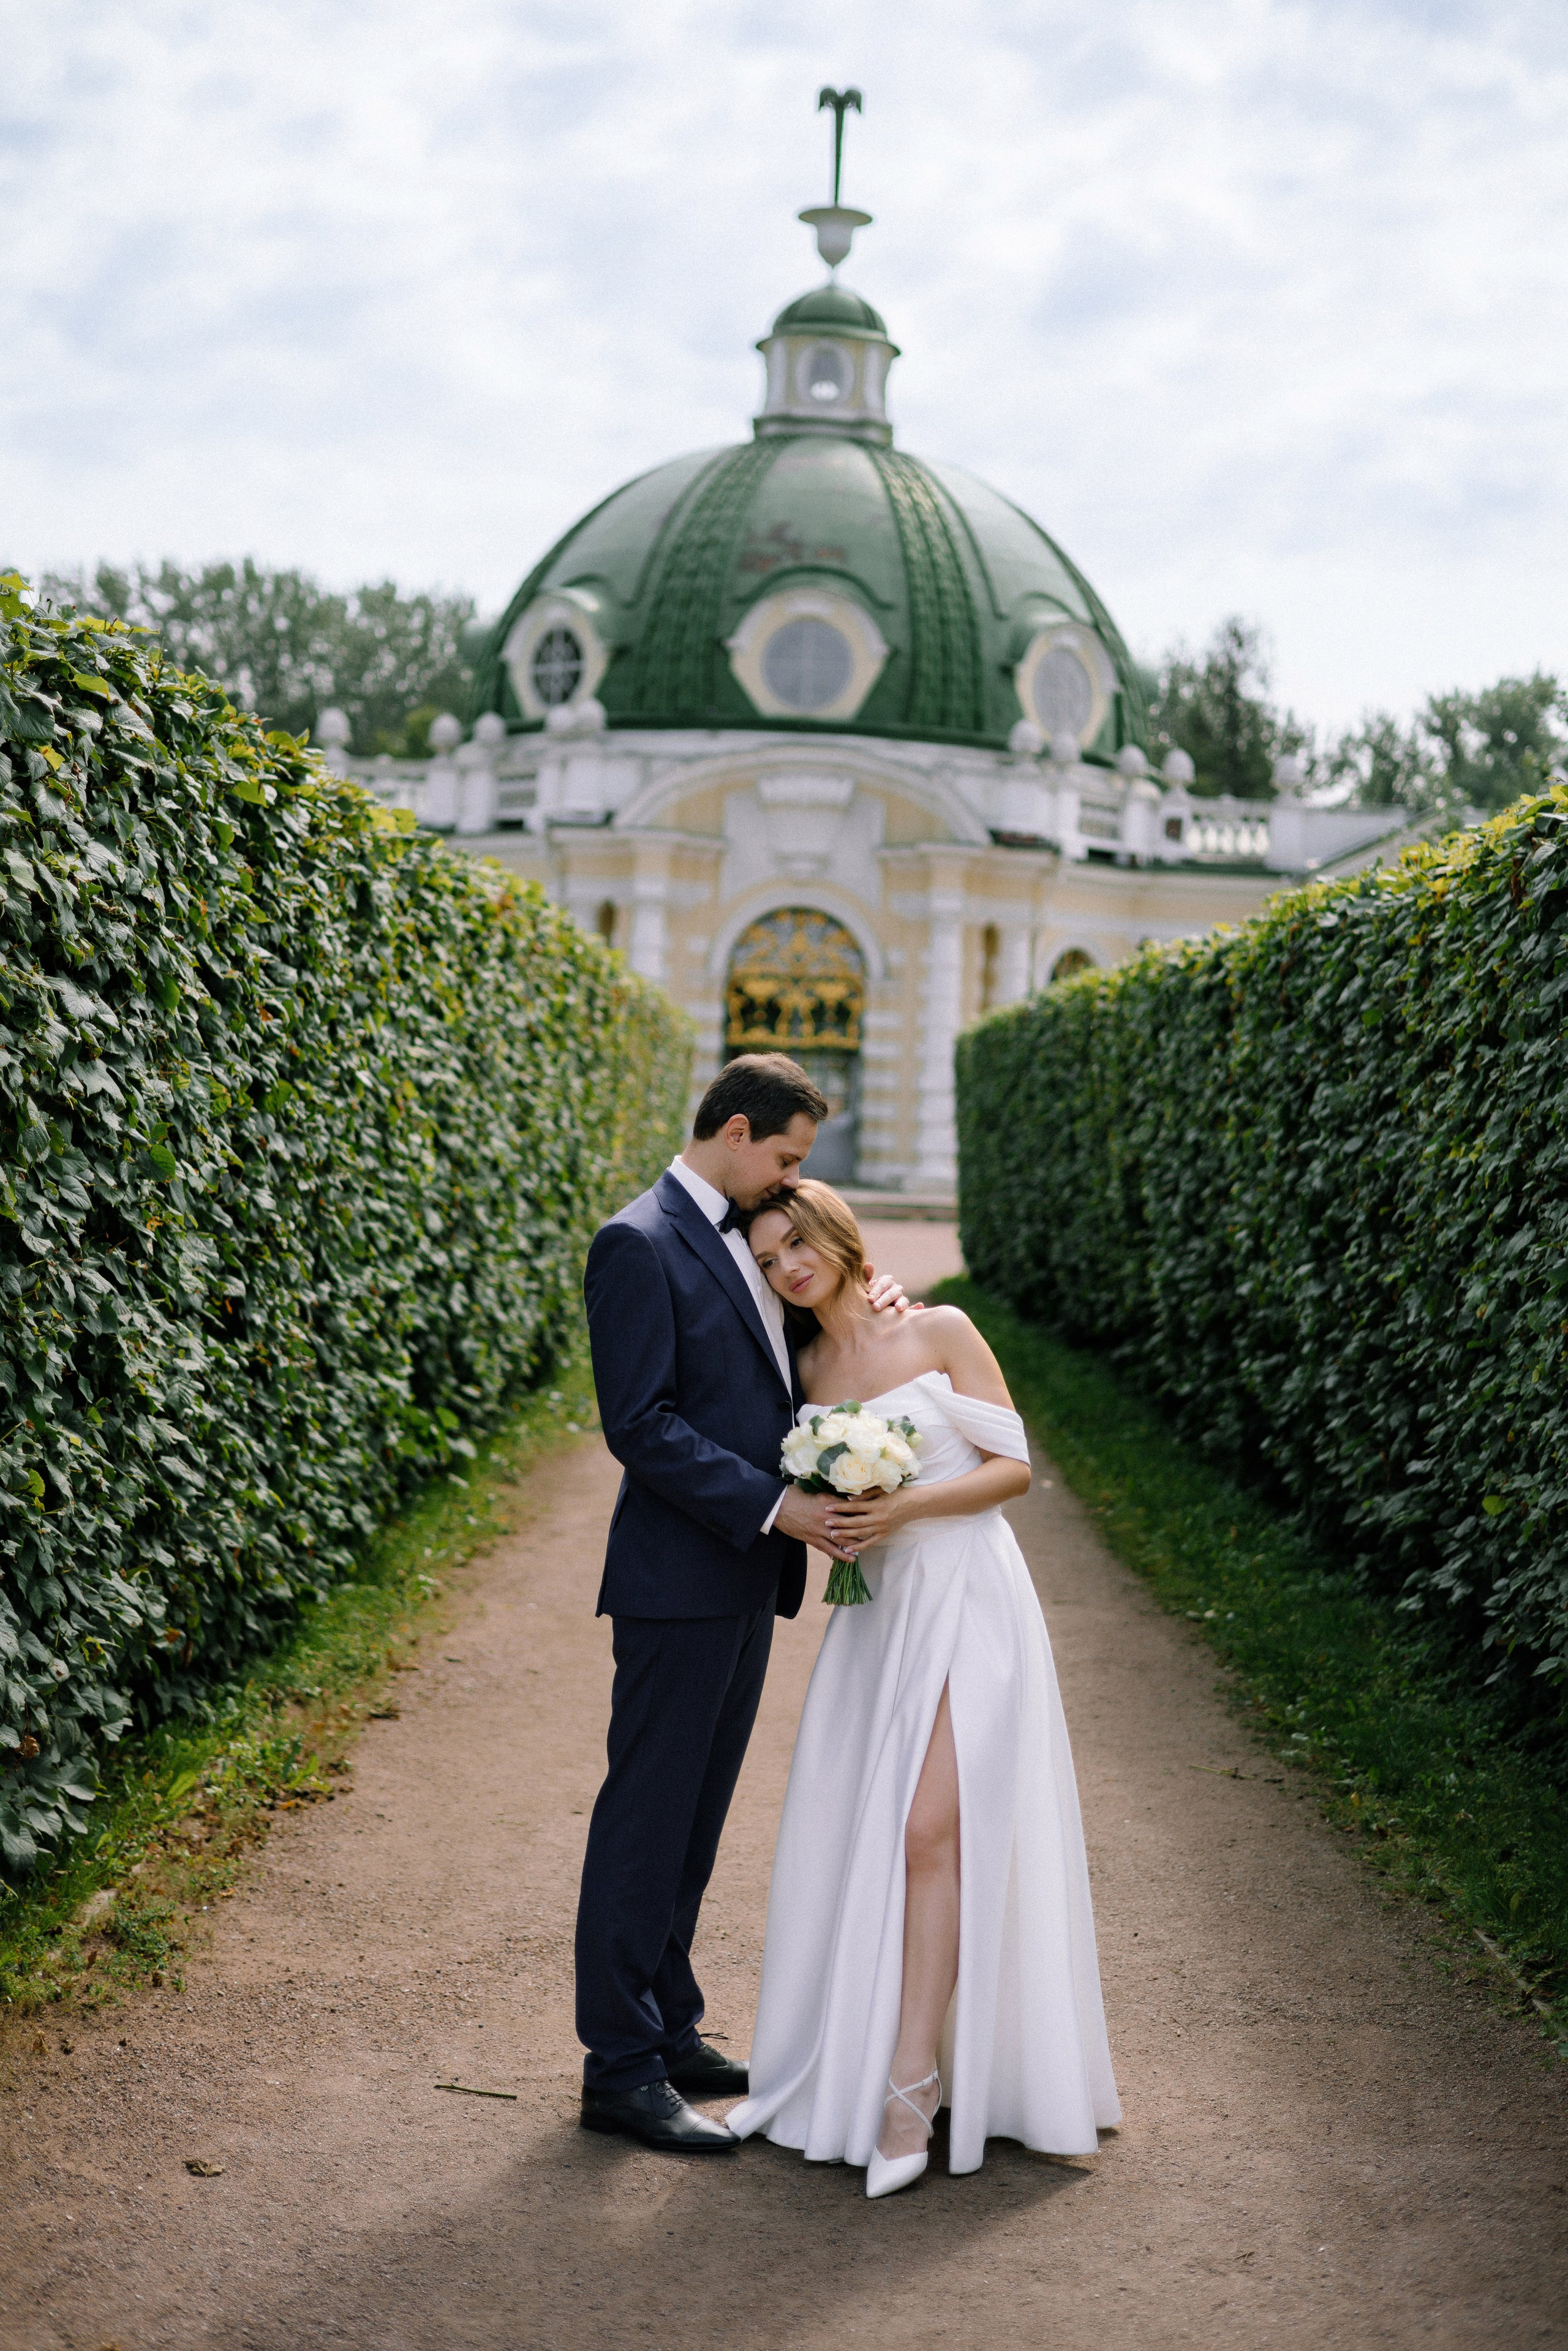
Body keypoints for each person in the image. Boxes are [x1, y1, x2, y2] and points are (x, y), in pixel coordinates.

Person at [725, 1179, 1120, 2196]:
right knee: (871, 1832)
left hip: (969, 1596)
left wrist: (902, 1507)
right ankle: (860, 2061)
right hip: (877, 1618)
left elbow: (1015, 1465)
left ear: (838, 1234)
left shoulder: (938, 1325)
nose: (788, 1267)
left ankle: (913, 2084)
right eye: (769, 1259)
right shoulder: (802, 1361)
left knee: (928, 1830)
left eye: (797, 1243)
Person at [575, 1056, 914, 2153]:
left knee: (696, 1817)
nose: (792, 1177)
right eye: (786, 1154)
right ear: (733, 1129)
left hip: (739, 1578)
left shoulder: (751, 1237)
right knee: (645, 1819)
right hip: (680, 1576)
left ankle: (669, 2028)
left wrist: (883, 1304)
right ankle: (619, 2069)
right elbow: (642, 1424)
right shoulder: (638, 1241)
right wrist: (780, 1509)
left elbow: (794, 1355)